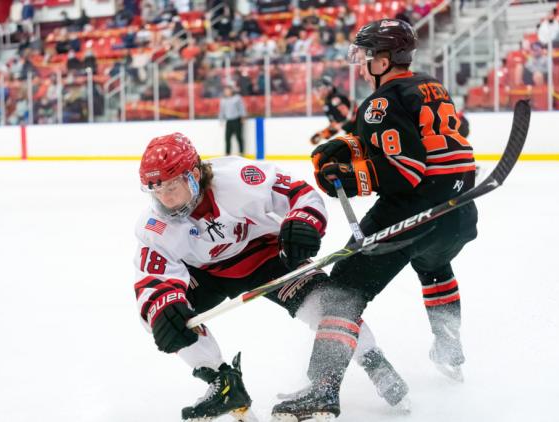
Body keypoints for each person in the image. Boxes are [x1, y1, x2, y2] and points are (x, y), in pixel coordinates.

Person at [272, 19, 478, 420]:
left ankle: (323, 389)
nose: (362, 67)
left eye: (366, 58)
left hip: (412, 212)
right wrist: (348, 143)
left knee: (341, 292)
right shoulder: (429, 86)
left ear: (384, 59)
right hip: (459, 211)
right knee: (433, 264)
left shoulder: (381, 100)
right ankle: (448, 344)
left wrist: (346, 179)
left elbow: (405, 170)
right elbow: (401, 140)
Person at [133, 133, 410, 421]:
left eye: (173, 186)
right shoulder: (153, 226)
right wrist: (162, 304)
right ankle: (223, 382)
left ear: (194, 175)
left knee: (332, 304)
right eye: (156, 189)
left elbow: (302, 194)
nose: (165, 198)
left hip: (265, 257)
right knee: (159, 316)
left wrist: (304, 221)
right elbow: (153, 277)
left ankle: (374, 362)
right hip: (206, 274)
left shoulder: (239, 179)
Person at [310, 75, 357, 145]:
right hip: (352, 133)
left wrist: (338, 126)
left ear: (327, 88)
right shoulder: (328, 103)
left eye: (319, 89)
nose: (318, 92)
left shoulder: (335, 100)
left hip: (358, 131)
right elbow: (337, 124)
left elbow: (352, 118)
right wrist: (323, 133)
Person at [219, 85, 246, 156]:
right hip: (229, 121)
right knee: (227, 138)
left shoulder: (237, 98)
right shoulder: (223, 100)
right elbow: (222, 111)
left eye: (228, 90)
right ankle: (227, 153)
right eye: (225, 91)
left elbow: (241, 107)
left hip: (237, 120)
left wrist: (243, 117)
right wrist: (221, 119)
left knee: (239, 137)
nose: (226, 92)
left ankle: (241, 152)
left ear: (231, 91)